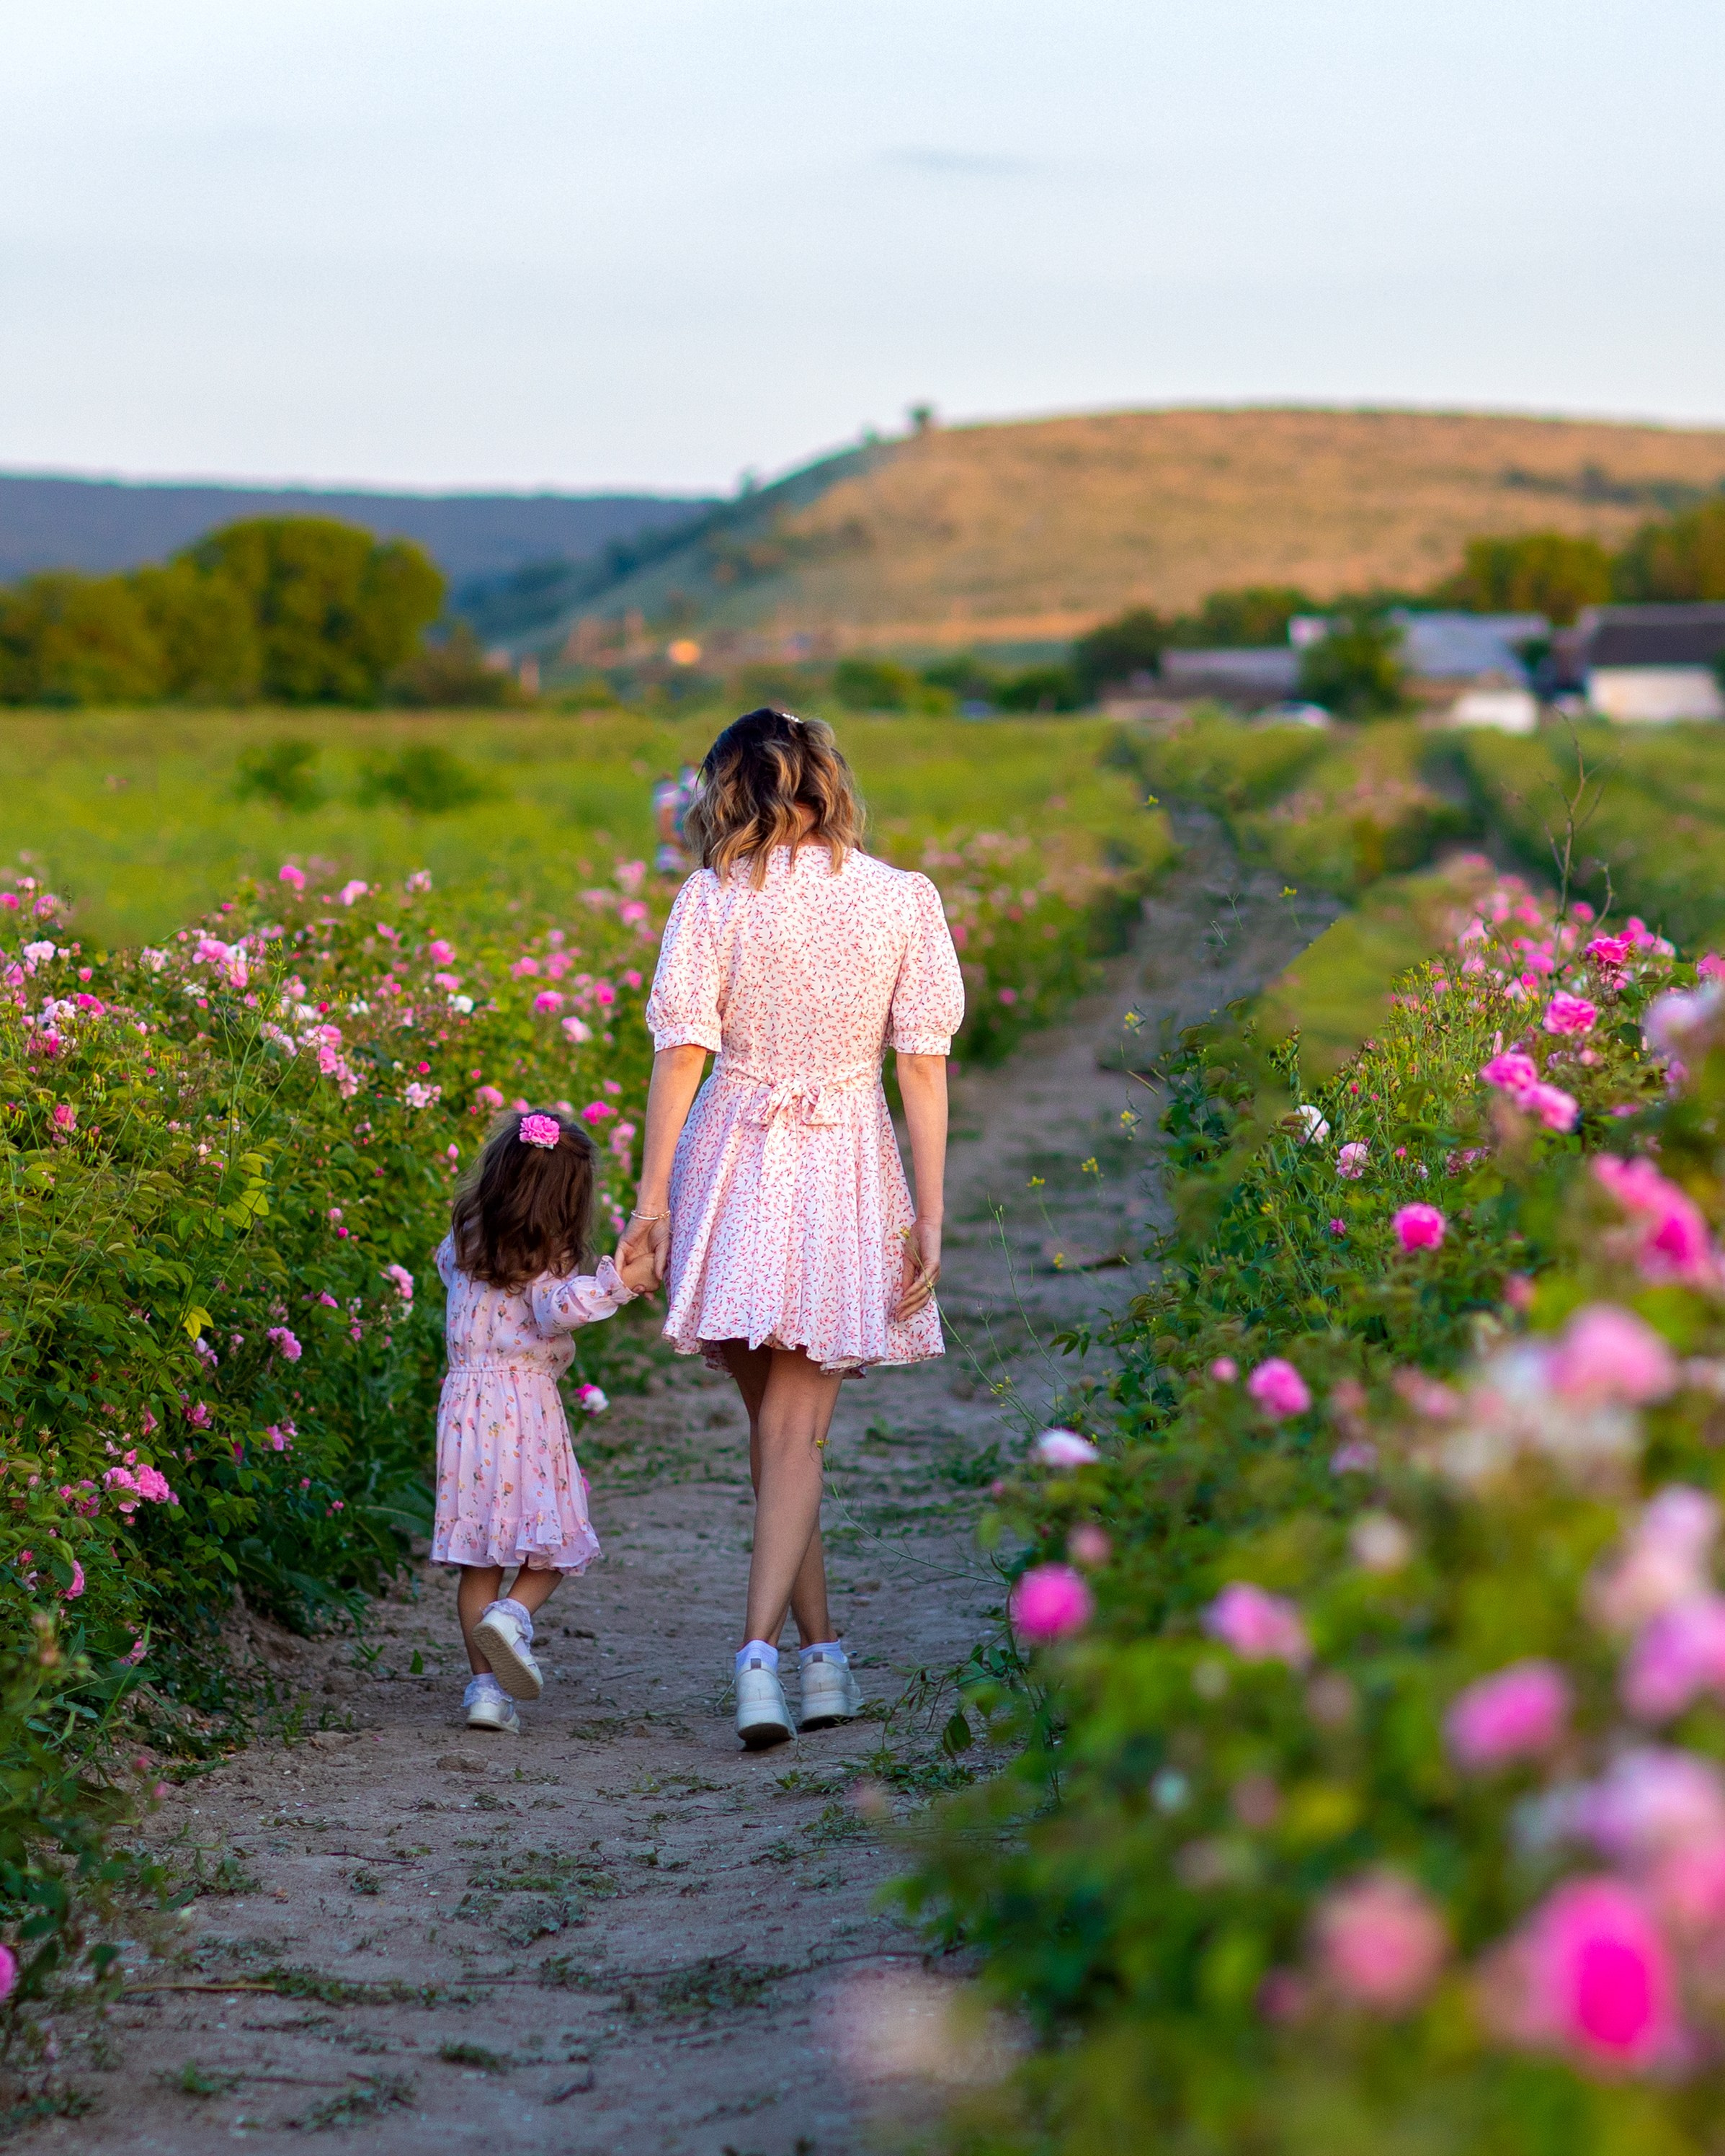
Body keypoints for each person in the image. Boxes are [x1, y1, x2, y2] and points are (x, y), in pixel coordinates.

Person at [617, 708, 963, 1749]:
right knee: (792, 1436)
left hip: (726, 1167)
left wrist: (651, 1205)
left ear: (731, 787)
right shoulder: (901, 897)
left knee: (776, 1436)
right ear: (826, 781)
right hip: (840, 1169)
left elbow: (682, 1053)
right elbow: (921, 1065)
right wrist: (929, 1212)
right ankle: (764, 1663)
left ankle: (817, 1658)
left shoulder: (711, 897)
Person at [432, 1107, 658, 1735]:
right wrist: (621, 1284)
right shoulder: (548, 1257)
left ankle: (485, 1693)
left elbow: (448, 1270)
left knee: (479, 1561)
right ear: (567, 1200)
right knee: (556, 1543)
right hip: (525, 1411)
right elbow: (559, 1310)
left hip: (464, 1413)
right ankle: (511, 1618)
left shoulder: (464, 1239)